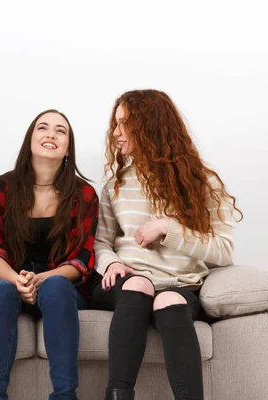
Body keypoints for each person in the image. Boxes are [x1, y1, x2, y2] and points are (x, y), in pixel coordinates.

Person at [91, 89, 243, 400]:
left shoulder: (203, 183)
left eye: (124, 124)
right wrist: (112, 263)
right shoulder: (115, 184)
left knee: (167, 301)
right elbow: (100, 242)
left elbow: (223, 251)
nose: (116, 132)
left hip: (179, 285)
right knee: (139, 287)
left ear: (149, 126)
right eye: (115, 124)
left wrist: (168, 228)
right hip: (125, 283)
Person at [0, 109, 99, 400]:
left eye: (61, 131)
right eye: (42, 128)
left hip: (60, 283)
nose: (51, 135)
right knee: (0, 291)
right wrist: (17, 281)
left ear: (68, 147)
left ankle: (65, 395)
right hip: (10, 278)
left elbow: (82, 260)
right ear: (30, 140)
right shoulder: (1, 187)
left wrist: (42, 279)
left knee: (56, 286)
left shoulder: (85, 194)